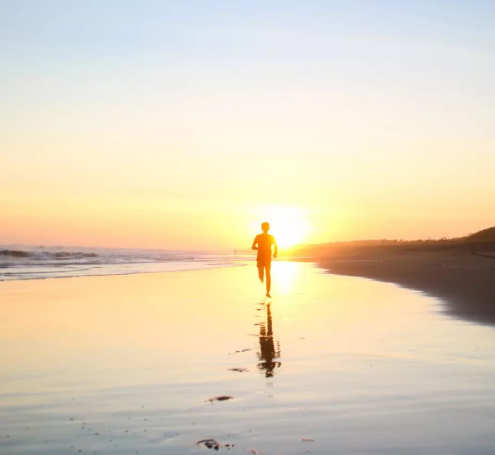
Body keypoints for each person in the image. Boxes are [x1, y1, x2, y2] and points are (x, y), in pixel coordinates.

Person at [251, 222, 278, 297]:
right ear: (262, 228)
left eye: (266, 227)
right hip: (262, 258)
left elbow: (275, 245)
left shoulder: (270, 237)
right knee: (263, 274)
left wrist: (275, 252)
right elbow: (252, 247)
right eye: (265, 227)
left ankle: (267, 291)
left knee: (267, 274)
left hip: (266, 258)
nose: (265, 229)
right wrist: (261, 248)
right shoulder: (259, 236)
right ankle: (264, 289)